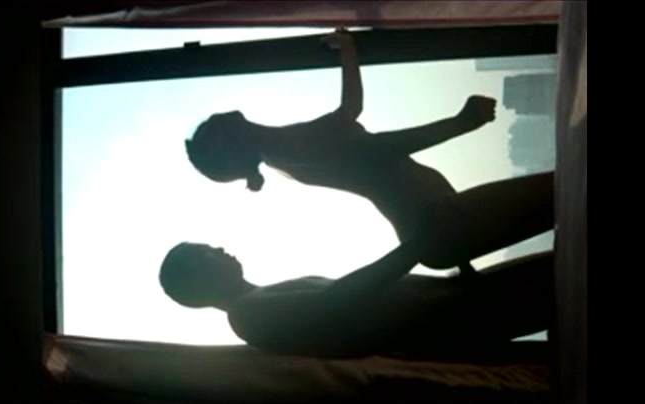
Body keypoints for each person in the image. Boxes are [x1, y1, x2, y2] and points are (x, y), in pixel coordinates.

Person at [184, 28, 553, 276]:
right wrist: (460, 123)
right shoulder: (284, 148)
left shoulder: (282, 144)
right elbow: (378, 150)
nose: (215, 118)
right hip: (441, 223)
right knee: (565, 193)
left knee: (562, 199)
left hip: (441, 225)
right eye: (211, 130)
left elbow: (349, 112)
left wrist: (348, 52)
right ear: (229, 146)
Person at [159, 241, 553, 359]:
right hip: (453, 318)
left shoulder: (254, 303)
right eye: (207, 252)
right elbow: (337, 300)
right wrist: (412, 249)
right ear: (197, 280)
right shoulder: (249, 313)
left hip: (457, 302)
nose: (219, 248)